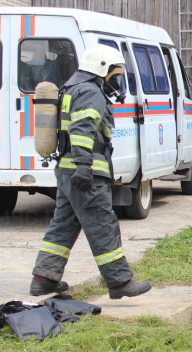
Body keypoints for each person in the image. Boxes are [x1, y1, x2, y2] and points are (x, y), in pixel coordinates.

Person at [30, 44, 152, 299]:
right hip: (86, 172)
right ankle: (119, 281)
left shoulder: (73, 88)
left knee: (63, 225)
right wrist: (85, 166)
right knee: (102, 225)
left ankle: (44, 278)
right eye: (115, 74)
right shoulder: (89, 91)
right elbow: (82, 128)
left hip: (68, 170)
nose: (116, 80)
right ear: (102, 69)